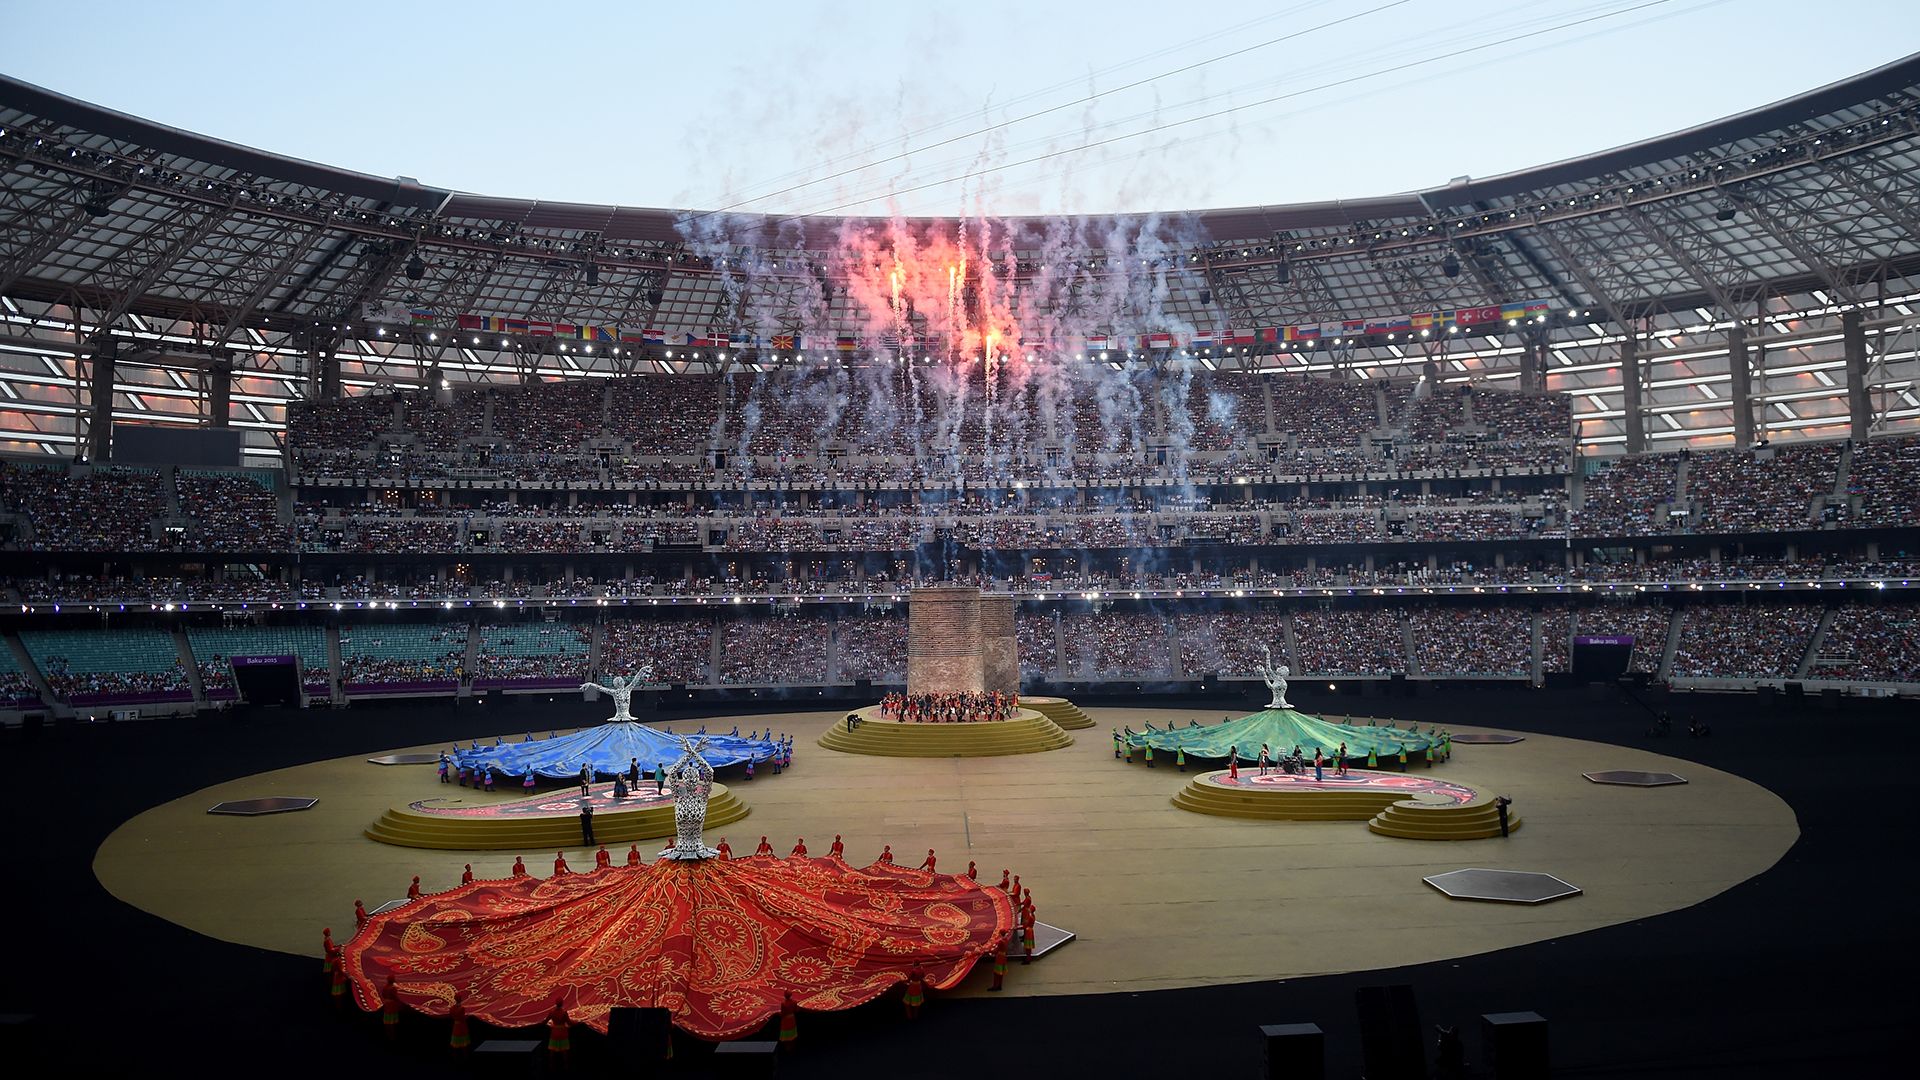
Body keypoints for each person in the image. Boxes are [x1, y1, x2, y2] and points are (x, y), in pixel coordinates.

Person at [546, 998, 571, 1068]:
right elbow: (569, 1023)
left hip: (554, 1032)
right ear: (562, 1003)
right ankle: (566, 1067)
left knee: (552, 1050)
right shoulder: (564, 1013)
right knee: (564, 1051)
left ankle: (551, 1066)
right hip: (563, 1032)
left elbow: (545, 1021)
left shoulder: (551, 1012)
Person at [447, 991, 470, 1056]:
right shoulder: (462, 1008)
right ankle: (465, 1056)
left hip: (456, 1025)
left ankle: (455, 1057)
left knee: (456, 1043)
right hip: (462, 1026)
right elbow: (463, 1017)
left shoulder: (451, 1008)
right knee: (463, 1043)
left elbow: (451, 1016)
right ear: (460, 999)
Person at [380, 975, 402, 1041]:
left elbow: (383, 995)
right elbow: (395, 997)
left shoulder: (385, 987)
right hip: (392, 1005)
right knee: (392, 1022)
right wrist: (399, 1002)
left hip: (387, 1004)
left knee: (387, 1021)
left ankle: (388, 1035)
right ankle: (392, 1037)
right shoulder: (393, 988)